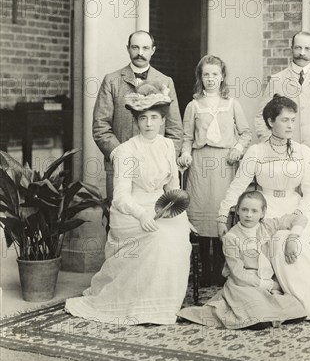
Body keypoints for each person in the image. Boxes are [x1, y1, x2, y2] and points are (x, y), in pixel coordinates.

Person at [66, 84, 192, 325]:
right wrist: (141, 215)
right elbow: (121, 197)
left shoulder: (167, 145)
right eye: (143, 118)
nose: (148, 124)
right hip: (131, 212)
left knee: (177, 233)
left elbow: (173, 189)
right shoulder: (125, 151)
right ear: (135, 120)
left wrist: (182, 216)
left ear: (162, 120)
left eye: (154, 118)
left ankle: (163, 303)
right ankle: (142, 303)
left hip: (161, 206)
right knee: (159, 239)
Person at [218, 95, 310, 320]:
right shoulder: (256, 151)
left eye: (293, 120)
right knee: (280, 240)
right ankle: (291, 303)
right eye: (285, 120)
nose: (291, 125)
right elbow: (237, 186)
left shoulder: (303, 151)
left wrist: (301, 212)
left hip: (296, 207)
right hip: (268, 209)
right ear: (271, 121)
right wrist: (222, 214)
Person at [178, 191, 307, 330]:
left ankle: (267, 313)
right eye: (244, 209)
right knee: (256, 313)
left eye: (254, 211)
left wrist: (292, 238)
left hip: (265, 281)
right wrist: (268, 284)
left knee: (297, 308)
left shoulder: (267, 226)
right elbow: (238, 274)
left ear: (263, 213)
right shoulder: (232, 237)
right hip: (242, 284)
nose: (249, 215)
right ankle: (256, 314)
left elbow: (299, 218)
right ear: (237, 210)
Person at [177, 55, 252, 283]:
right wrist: (186, 153)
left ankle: (222, 268)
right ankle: (204, 270)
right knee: (201, 212)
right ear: (200, 77)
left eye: (215, 74)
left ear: (222, 77)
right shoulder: (193, 105)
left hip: (224, 162)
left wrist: (238, 148)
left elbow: (246, 133)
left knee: (222, 211)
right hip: (201, 164)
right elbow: (187, 137)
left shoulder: (232, 104)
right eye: (206, 74)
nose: (210, 79)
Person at [93, 30, 183, 198]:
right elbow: (100, 126)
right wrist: (121, 157)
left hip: (156, 172)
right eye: (135, 47)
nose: (140, 53)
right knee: (120, 216)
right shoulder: (111, 81)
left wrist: (166, 161)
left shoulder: (165, 81)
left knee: (155, 220)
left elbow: (175, 130)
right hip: (120, 168)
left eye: (145, 48)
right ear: (128, 49)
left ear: (153, 50)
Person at [254, 31, 310, 191]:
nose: (302, 53)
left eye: (307, 49)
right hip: (284, 158)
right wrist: (271, 144)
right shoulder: (277, 79)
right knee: (285, 205)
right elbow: (261, 116)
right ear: (291, 48)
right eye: (298, 48)